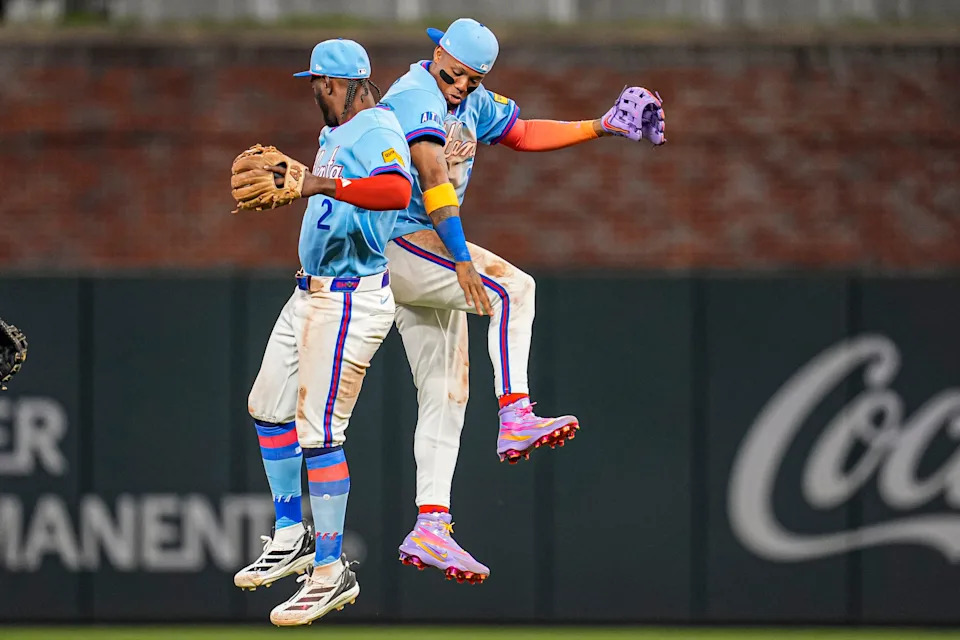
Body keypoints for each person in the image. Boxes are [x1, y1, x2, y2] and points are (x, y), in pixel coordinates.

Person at [379, 18, 667, 584]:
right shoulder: (414, 94)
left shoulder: (473, 99)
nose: (460, 86)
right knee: (515, 287)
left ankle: (431, 526)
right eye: (455, 72)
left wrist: (600, 126)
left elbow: (524, 133)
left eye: (472, 78)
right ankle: (515, 412)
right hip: (395, 239)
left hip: (423, 246)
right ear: (436, 52)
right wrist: (462, 256)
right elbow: (434, 175)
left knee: (446, 393)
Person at [229, 38, 413, 626]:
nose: (315, 94)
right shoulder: (334, 137)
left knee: (320, 432)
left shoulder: (378, 127)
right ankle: (291, 533)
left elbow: (397, 189)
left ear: (338, 84)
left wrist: (319, 186)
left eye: (318, 85)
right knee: (266, 407)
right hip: (308, 291)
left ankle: (331, 572)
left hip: (349, 301)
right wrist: (313, 183)